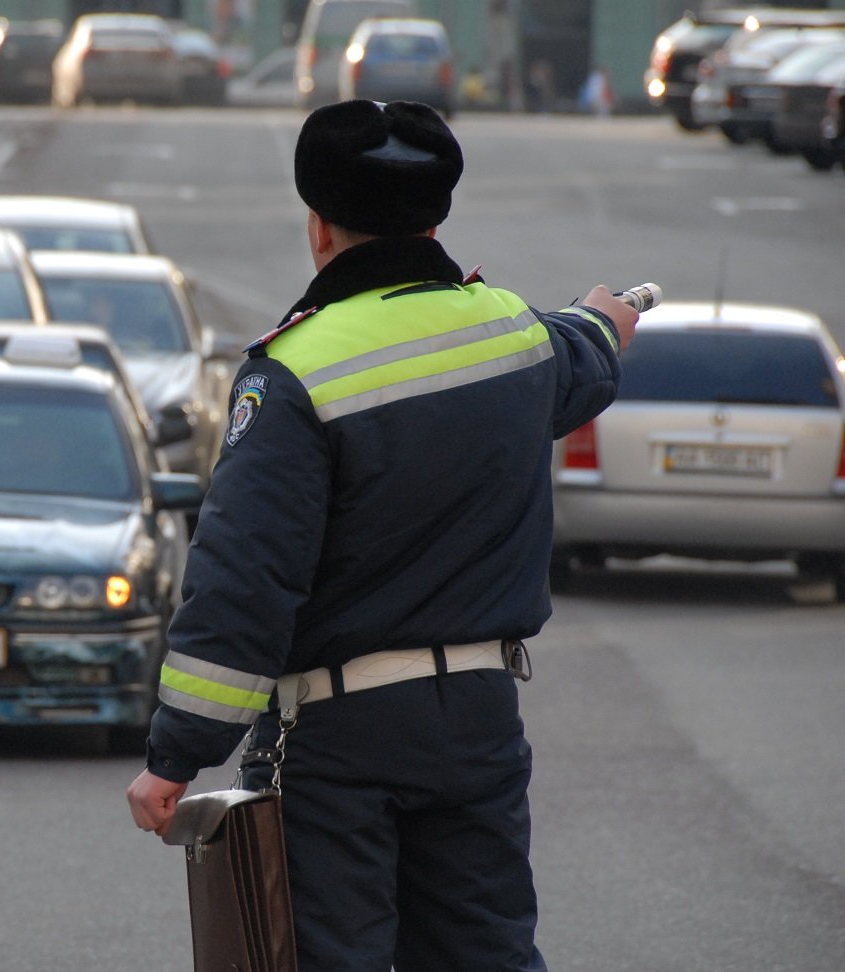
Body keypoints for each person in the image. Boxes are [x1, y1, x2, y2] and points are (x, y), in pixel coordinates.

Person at [126, 99, 637, 971]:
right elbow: (580, 355)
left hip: (337, 738)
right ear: (436, 220)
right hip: (479, 718)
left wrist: (176, 754)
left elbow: (247, 580)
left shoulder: (292, 375)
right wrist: (606, 318)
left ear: (319, 228)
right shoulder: (513, 335)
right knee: (486, 953)